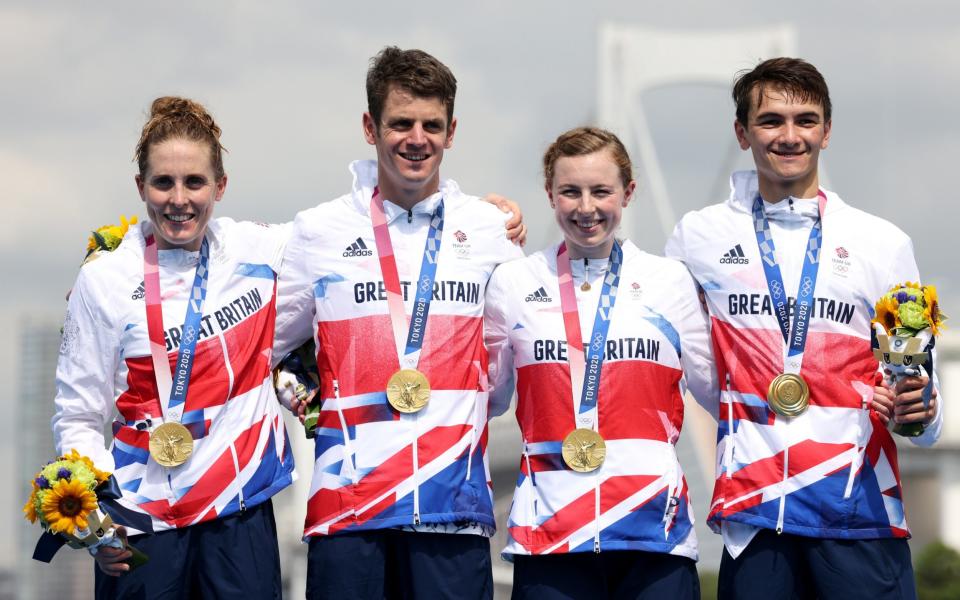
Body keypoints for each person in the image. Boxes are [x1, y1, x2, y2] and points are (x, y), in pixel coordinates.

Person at [665, 57, 943, 599]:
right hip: (756, 514)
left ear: (828, 131)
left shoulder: (881, 243)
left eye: (806, 120)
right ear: (742, 133)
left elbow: (918, 393)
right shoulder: (697, 237)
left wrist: (921, 409)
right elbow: (671, 347)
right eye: (771, 121)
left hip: (860, 511)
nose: (790, 136)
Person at [273, 47, 524, 599]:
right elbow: (267, 346)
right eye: (400, 123)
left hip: (452, 506)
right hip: (349, 507)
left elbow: (514, 358)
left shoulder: (487, 230)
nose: (417, 139)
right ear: (370, 127)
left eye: (432, 125)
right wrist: (305, 398)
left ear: (451, 131)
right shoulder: (318, 230)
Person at [52, 97, 294, 598]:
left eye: (195, 182)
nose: (178, 199)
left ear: (221, 187)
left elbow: (351, 232)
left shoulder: (257, 250)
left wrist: (490, 214)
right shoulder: (104, 280)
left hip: (238, 510)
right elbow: (78, 414)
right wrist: (95, 525)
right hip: (140, 524)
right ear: (141, 187)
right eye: (163, 183)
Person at [483, 127, 717, 599]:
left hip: (654, 531)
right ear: (550, 195)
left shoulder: (669, 281)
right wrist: (468, 230)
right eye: (570, 191)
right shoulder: (512, 282)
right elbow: (485, 395)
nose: (586, 208)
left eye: (601, 191)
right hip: (548, 534)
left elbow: (721, 392)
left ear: (628, 193)